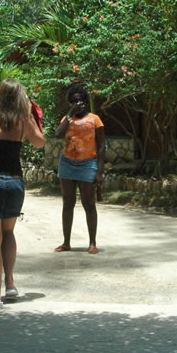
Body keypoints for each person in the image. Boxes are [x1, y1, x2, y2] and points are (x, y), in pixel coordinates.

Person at [0, 79, 45, 307]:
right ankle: (10, 283)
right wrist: (31, 120)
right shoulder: (23, 122)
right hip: (15, 182)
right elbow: (40, 143)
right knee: (9, 233)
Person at [53, 84, 105, 254]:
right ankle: (66, 242)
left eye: (80, 100)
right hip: (67, 163)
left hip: (87, 164)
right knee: (68, 203)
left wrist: (99, 171)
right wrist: (69, 115)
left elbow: (102, 146)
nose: (78, 103)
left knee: (89, 203)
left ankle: (92, 243)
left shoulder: (94, 119)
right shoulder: (67, 120)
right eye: (74, 101)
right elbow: (58, 134)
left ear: (85, 102)